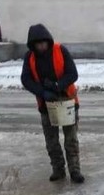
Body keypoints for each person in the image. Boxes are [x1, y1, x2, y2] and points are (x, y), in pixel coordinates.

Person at [20, 24, 84, 183]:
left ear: (48, 41)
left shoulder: (60, 50)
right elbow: (25, 79)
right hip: (46, 104)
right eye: (38, 43)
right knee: (51, 141)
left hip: (67, 101)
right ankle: (58, 169)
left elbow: (72, 74)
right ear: (32, 45)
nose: (41, 46)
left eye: (44, 42)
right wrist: (42, 92)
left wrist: (57, 86)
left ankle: (75, 170)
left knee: (71, 139)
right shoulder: (30, 57)